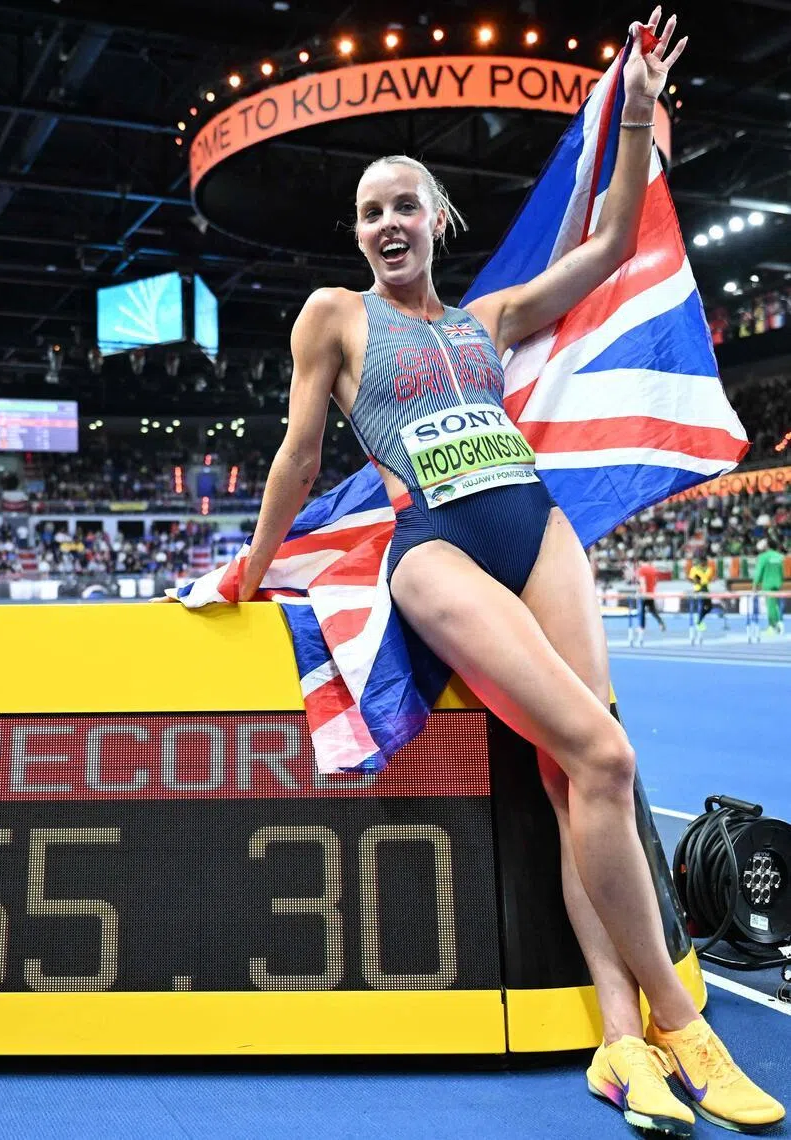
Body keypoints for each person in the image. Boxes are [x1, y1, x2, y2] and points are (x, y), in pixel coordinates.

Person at [237, 10, 782, 1137]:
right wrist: (252, 563)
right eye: (368, 211)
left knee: (576, 779)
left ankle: (619, 1042)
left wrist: (633, 114)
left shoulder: (490, 320)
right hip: (435, 550)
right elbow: (297, 455)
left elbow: (616, 240)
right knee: (606, 751)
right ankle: (688, 1024)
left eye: (402, 204)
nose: (386, 222)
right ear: (360, 236)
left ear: (435, 219)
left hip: (537, 533)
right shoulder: (334, 318)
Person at [752, 537, 785, 636]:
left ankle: (772, 626)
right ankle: (780, 623)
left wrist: (755, 585)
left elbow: (758, 572)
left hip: (768, 584)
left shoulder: (763, 556)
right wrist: (781, 582)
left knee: (771, 606)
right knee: (777, 606)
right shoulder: (780, 556)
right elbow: (781, 571)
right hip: (777, 583)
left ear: (767, 546)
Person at [636, 559, 668, 644]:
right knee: (653, 611)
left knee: (642, 612)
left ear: (641, 562)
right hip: (651, 593)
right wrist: (651, 591)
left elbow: (643, 582)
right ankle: (661, 623)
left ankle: (641, 628)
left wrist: (643, 592)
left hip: (645, 593)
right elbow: (655, 582)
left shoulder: (642, 570)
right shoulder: (653, 569)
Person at [687, 554, 715, 632]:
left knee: (709, 608)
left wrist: (711, 580)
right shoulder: (694, 569)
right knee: (701, 605)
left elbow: (707, 579)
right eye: (703, 562)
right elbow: (690, 579)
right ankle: (699, 622)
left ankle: (699, 620)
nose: (705, 564)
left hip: (706, 590)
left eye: (706, 562)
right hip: (698, 590)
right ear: (700, 562)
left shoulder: (709, 569)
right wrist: (695, 581)